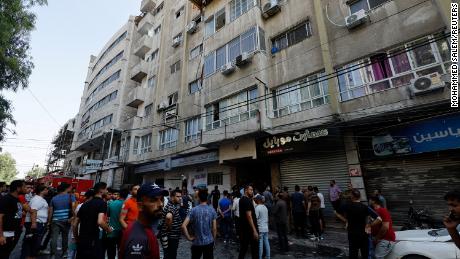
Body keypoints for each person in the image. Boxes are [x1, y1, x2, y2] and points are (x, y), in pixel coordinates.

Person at [120, 183, 168, 259]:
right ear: (140, 206)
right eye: (154, 200)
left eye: (161, 199)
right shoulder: (138, 239)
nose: (161, 204)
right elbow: (121, 218)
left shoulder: (146, 229)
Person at [336, 189, 381, 259]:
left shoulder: (347, 206)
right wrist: (369, 225)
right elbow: (379, 219)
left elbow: (336, 213)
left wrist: (346, 220)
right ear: (359, 197)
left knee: (353, 254)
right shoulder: (365, 207)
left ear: (352, 196)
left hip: (352, 234)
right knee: (365, 254)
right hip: (363, 235)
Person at [74, 182, 113, 259]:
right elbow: (100, 221)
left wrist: (77, 238)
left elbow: (74, 224)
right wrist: (108, 229)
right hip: (93, 240)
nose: (107, 191)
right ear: (101, 190)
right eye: (105, 189)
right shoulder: (102, 203)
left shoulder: (85, 204)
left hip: (82, 239)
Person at [182, 189, 217, 259]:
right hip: (209, 242)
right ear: (207, 198)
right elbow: (214, 228)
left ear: (198, 198)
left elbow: (183, 226)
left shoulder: (193, 210)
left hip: (197, 242)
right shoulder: (212, 210)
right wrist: (214, 240)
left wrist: (189, 237)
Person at [48, 182, 76, 258]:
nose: (71, 188)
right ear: (66, 188)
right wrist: (73, 217)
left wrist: (49, 222)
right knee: (65, 237)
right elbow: (73, 208)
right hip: (66, 220)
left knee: (54, 237)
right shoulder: (71, 196)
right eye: (70, 187)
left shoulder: (54, 198)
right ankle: (64, 253)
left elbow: (50, 211)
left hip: (55, 220)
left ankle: (52, 255)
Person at [0, 180, 27, 259]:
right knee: (3, 254)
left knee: (7, 253)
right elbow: (0, 217)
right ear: (18, 188)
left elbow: (14, 213)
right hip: (6, 233)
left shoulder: (17, 199)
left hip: (14, 232)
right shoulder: (7, 199)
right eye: (24, 186)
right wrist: (1, 235)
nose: (26, 188)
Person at [21, 184, 49, 259]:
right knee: (31, 242)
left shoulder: (40, 199)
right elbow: (33, 211)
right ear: (41, 191)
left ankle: (30, 256)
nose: (47, 191)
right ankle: (27, 256)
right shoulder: (37, 199)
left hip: (38, 222)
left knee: (33, 242)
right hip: (36, 223)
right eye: (46, 189)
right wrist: (33, 223)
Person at [104, 189, 128, 259]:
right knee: (122, 251)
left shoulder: (111, 204)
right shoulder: (127, 204)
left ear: (119, 195)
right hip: (123, 231)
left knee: (111, 252)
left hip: (112, 231)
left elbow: (108, 215)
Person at [238, 184, 259, 259]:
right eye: (251, 190)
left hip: (245, 229)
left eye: (252, 190)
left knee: (243, 248)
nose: (252, 191)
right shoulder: (246, 201)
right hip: (249, 229)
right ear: (246, 190)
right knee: (255, 249)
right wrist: (254, 230)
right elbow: (249, 216)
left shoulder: (242, 199)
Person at [161, 189, 183, 259]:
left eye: (180, 196)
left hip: (170, 236)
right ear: (172, 197)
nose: (180, 198)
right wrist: (169, 228)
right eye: (178, 196)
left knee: (167, 255)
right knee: (171, 256)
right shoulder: (172, 207)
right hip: (172, 237)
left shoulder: (172, 205)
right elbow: (168, 217)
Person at [254, 194, 270, 259]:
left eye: (255, 199)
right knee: (266, 243)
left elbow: (255, 218)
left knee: (260, 245)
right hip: (265, 228)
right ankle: (268, 256)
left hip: (260, 228)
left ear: (258, 200)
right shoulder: (265, 207)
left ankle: (260, 257)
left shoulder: (257, 208)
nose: (254, 200)